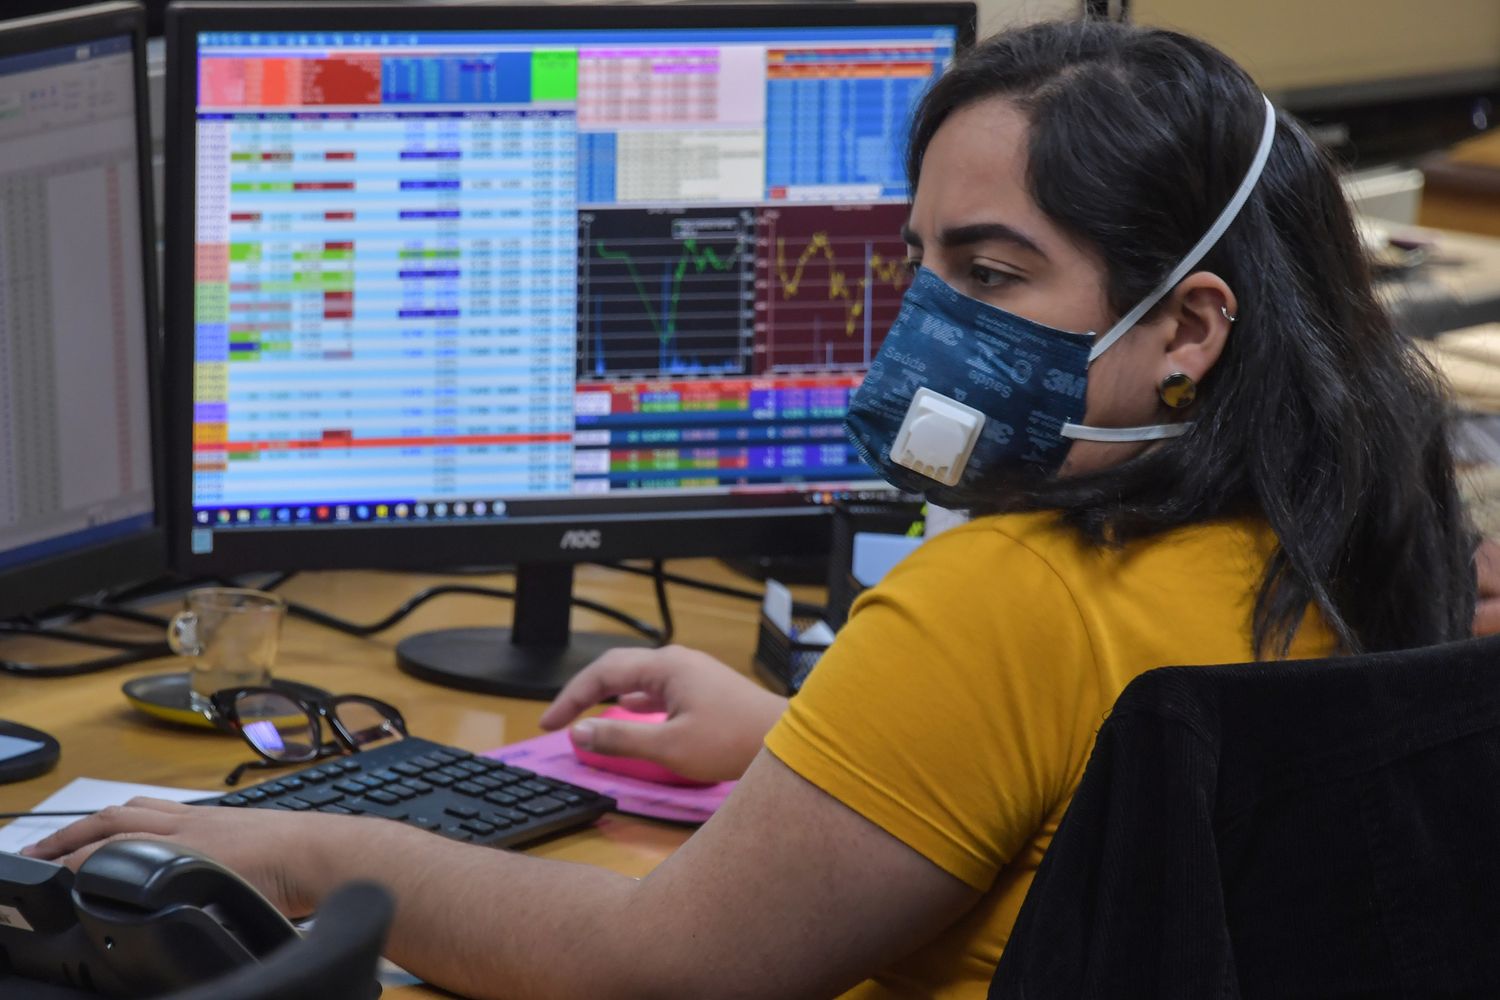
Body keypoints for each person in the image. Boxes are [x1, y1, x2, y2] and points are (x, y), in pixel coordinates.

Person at [25, 19, 1483, 999]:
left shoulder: (1005, 601)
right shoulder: (1372, 523)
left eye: (993, 274)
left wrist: (307, 847)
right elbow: (1130, 819)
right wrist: (806, 743)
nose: (927, 322)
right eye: (922, 265)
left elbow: (660, 969)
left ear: (1188, 327)